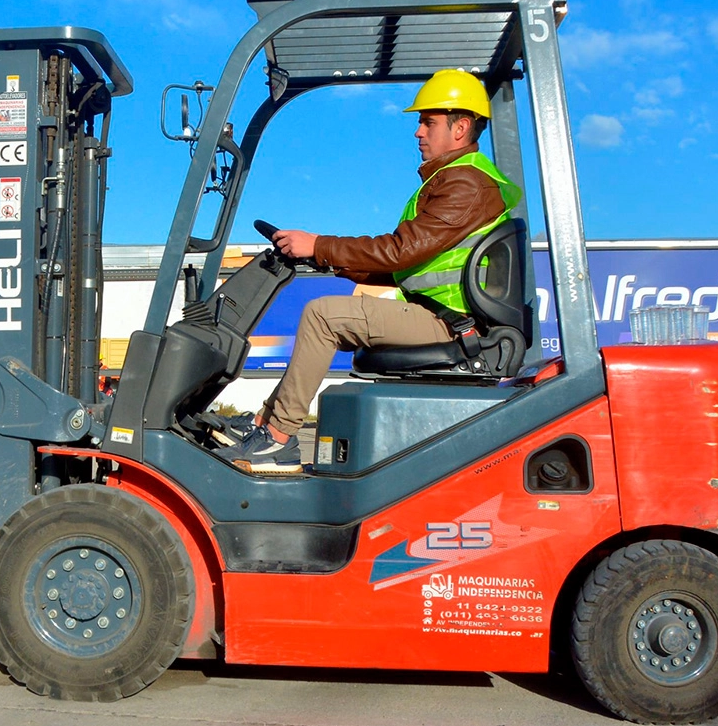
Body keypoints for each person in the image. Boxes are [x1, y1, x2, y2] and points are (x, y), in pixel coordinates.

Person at [219, 69, 521, 474]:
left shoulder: (466, 184)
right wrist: (322, 258)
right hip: (440, 316)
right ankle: (264, 423)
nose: (417, 132)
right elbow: (407, 261)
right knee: (332, 309)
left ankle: (278, 438)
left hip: (451, 325)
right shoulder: (453, 180)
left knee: (324, 315)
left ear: (461, 127)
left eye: (428, 122)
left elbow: (400, 251)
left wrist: (320, 245)